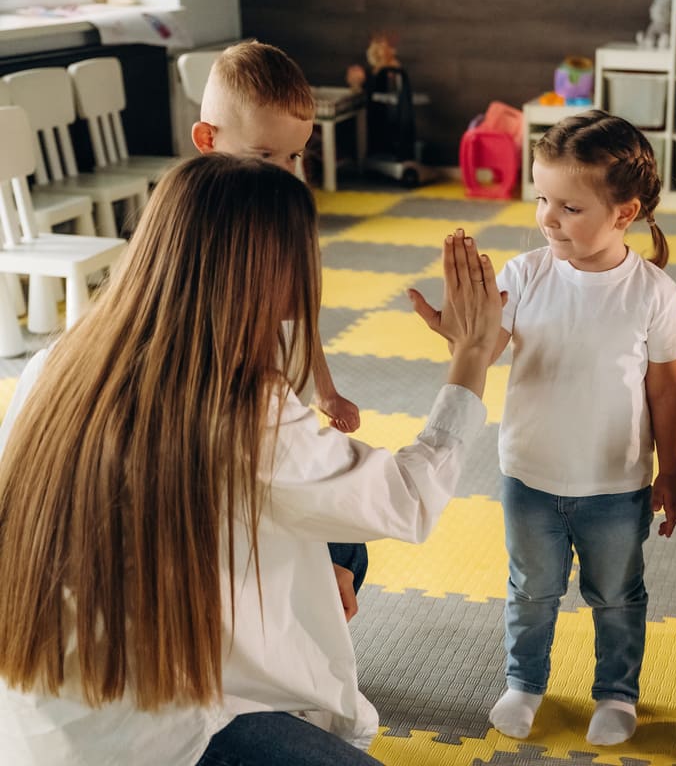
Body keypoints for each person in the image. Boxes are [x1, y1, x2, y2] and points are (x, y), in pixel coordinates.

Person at [0, 154, 505, 765]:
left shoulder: (56, 363)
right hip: (153, 735)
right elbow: (405, 499)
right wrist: (472, 356)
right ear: (263, 268)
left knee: (342, 546)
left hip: (37, 714)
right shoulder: (238, 406)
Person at [472, 109, 676, 747]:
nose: (548, 218)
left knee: (617, 596)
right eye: (542, 198)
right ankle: (524, 683)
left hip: (614, 485)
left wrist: (674, 470)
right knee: (531, 591)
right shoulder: (524, 275)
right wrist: (464, 331)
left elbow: (669, 390)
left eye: (569, 207)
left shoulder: (653, 292)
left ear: (625, 213)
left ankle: (617, 693)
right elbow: (484, 352)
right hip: (529, 476)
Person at [191, 39, 368, 620]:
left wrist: (326, 391)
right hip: (221, 441)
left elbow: (302, 318)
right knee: (333, 545)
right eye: (264, 155)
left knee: (347, 545)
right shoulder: (193, 236)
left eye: (294, 157)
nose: (285, 174)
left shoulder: (285, 221)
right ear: (208, 140)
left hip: (276, 420)